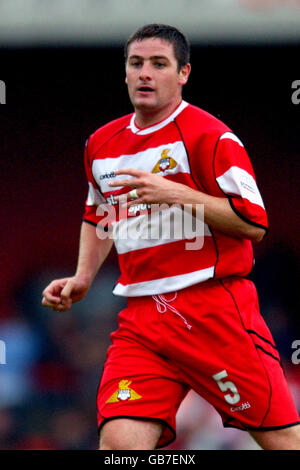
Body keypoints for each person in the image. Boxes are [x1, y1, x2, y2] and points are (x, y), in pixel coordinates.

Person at [42, 24, 300, 450]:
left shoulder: (212, 136)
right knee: (120, 446)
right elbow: (99, 213)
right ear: (125, 73)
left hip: (214, 312)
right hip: (143, 320)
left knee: (282, 442)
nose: (145, 73)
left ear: (183, 74)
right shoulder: (102, 144)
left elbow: (253, 222)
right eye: (136, 63)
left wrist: (177, 193)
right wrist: (82, 277)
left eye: (159, 64)